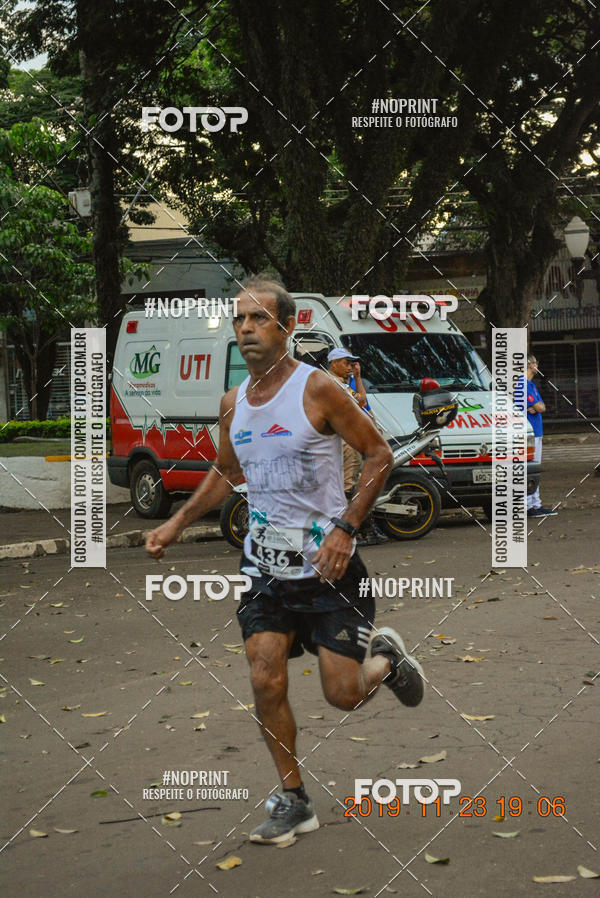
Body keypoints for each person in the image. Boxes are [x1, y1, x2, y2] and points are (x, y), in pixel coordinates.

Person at [146, 274, 424, 844]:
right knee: (264, 679)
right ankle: (293, 800)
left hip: (328, 568)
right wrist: (176, 520)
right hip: (264, 568)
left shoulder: (319, 389)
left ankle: (386, 662)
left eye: (258, 319)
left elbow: (378, 454)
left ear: (288, 327)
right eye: (239, 321)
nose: (245, 329)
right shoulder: (233, 403)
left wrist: (347, 528)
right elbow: (227, 471)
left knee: (342, 695)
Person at [327, 349, 387, 545]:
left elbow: (361, 399)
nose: (350, 367)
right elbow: (360, 402)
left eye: (353, 363)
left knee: (352, 484)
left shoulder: (343, 383)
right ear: (334, 363)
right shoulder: (333, 384)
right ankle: (358, 531)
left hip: (349, 440)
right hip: (346, 441)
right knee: (350, 486)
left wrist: (358, 376)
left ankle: (363, 530)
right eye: (347, 363)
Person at [522, 354, 557, 518]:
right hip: (530, 432)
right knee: (531, 468)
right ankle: (529, 505)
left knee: (535, 469)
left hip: (537, 431)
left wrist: (536, 407)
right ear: (530, 365)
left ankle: (536, 503)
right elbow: (538, 406)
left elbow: (541, 406)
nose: (537, 366)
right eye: (536, 363)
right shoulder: (523, 385)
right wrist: (535, 407)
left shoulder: (532, 385)